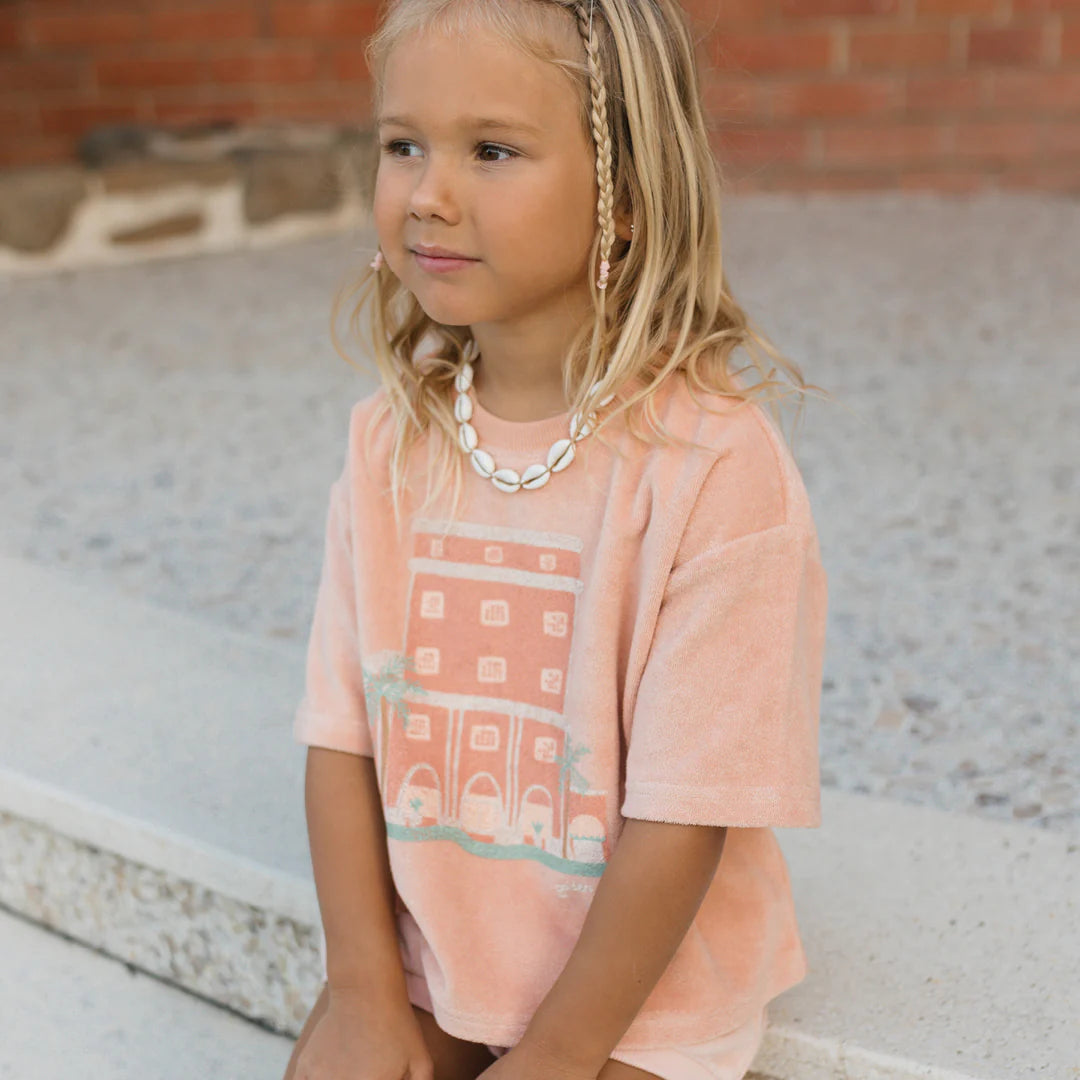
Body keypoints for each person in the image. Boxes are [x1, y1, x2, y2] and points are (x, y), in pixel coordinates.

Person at [285, 1, 833, 1079]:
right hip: (432, 962)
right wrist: (361, 992)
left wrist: (562, 1053)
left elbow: (685, 814)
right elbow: (340, 740)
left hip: (637, 1001)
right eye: (404, 145)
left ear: (621, 198)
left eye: (492, 150)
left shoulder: (715, 470)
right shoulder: (388, 443)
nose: (429, 195)